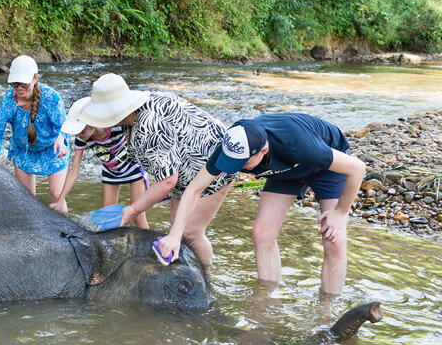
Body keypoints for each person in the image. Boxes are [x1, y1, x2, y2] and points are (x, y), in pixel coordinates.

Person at [160, 113, 365, 295]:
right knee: (262, 233)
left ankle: (328, 311)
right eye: (234, 161)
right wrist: (175, 235)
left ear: (264, 149)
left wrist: (341, 212)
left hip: (325, 166)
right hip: (285, 171)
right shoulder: (230, 145)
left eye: (244, 162)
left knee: (334, 240)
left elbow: (357, 168)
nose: (238, 167)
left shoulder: (296, 142)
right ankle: (267, 298)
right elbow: (194, 189)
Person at [72, 73, 235, 263]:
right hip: (186, 170)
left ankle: (206, 280)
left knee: (191, 232)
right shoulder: (132, 119)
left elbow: (168, 180)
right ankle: (188, 271)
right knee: (176, 223)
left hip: (218, 163)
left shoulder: (149, 124)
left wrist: (133, 210)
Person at [0, 55, 69, 207]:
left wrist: (61, 138)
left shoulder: (51, 97)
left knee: (57, 194)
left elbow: (64, 124)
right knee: (26, 200)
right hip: (23, 151)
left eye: (24, 84)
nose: (19, 88)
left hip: (52, 148)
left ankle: (67, 230)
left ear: (35, 79)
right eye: (15, 84)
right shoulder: (9, 101)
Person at [50, 98, 149, 229]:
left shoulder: (116, 125)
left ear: (91, 121)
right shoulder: (81, 139)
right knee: (106, 219)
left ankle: (146, 247)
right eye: (76, 132)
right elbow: (74, 171)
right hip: (111, 172)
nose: (79, 135)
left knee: (138, 215)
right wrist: (60, 200)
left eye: (81, 131)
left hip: (134, 169)